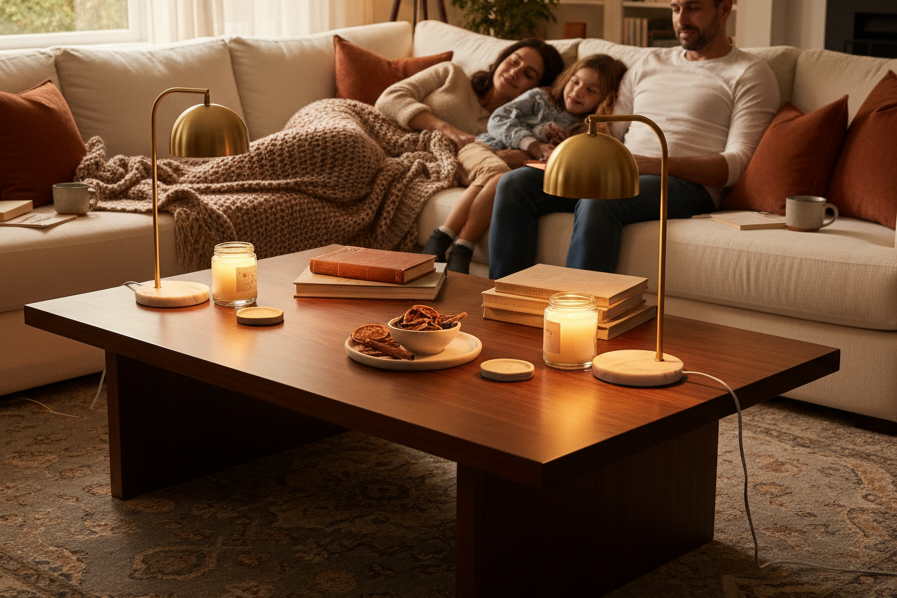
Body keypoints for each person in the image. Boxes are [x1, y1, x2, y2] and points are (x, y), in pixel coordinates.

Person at [488, 0, 780, 279]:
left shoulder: (749, 73)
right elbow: (609, 132)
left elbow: (735, 165)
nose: (681, 19)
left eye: (693, 8)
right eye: (676, 9)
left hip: (688, 187)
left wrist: (651, 165)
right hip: (624, 171)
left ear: (725, 8)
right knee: (516, 184)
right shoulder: (649, 62)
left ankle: (577, 318)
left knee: (601, 199)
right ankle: (506, 306)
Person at [420, 54, 628, 274]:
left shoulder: (585, 129)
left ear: (604, 99)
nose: (577, 92)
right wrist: (534, 141)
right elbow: (499, 119)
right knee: (498, 173)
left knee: (502, 180)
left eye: (591, 91)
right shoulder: (540, 98)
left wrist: (557, 146)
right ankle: (442, 240)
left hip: (506, 170)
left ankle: (460, 248)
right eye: (575, 82)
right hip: (482, 148)